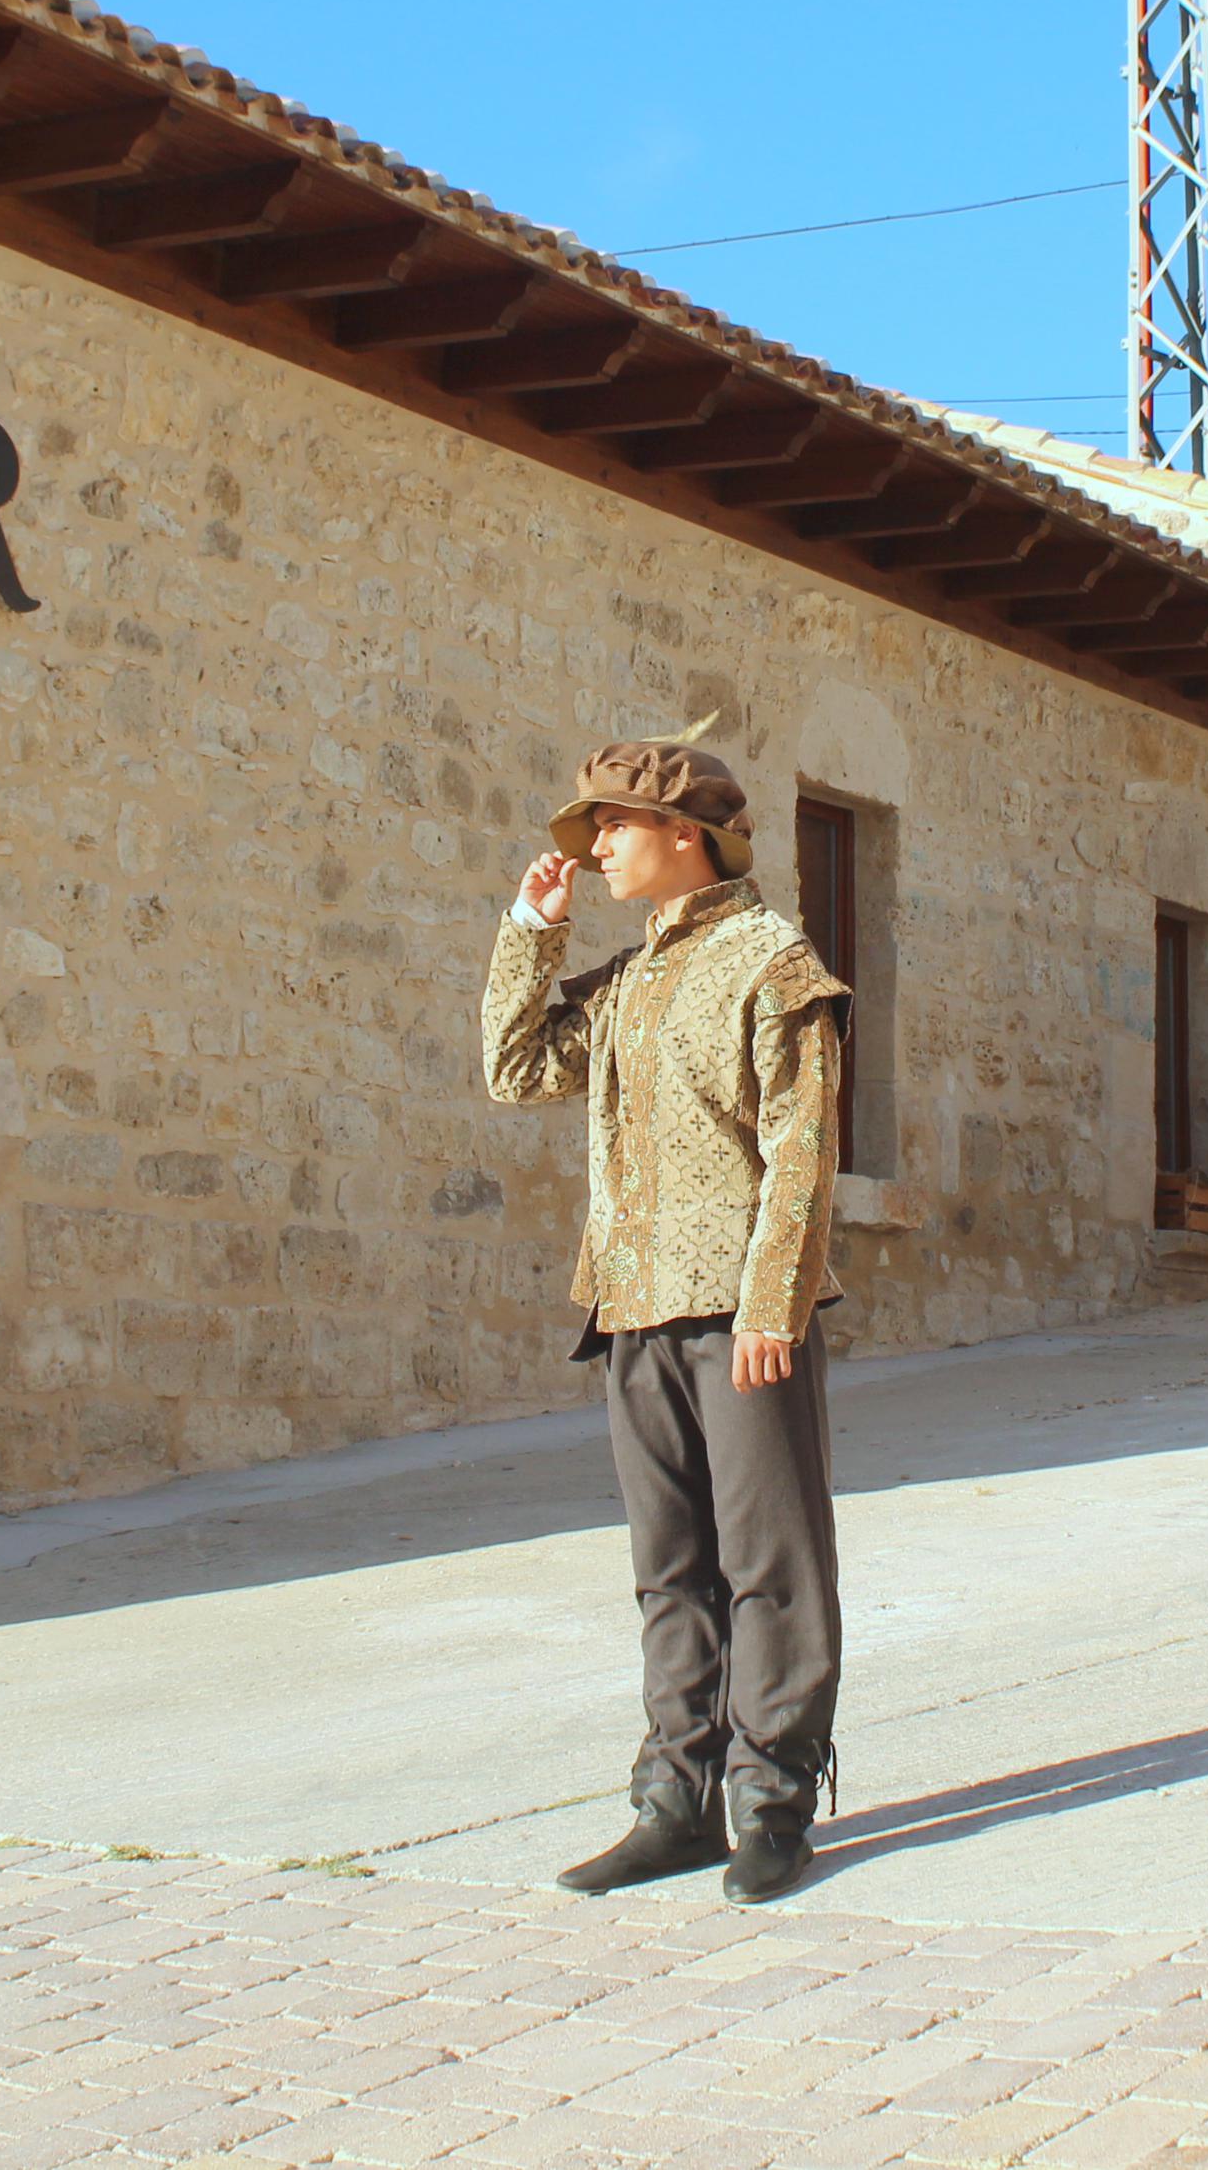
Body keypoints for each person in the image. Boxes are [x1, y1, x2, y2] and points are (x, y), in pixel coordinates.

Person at [483, 734, 850, 1903]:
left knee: (769, 1565)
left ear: (681, 832)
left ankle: (771, 1803)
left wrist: (772, 1303)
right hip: (631, 1302)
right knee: (669, 1566)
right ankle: (673, 1802)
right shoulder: (630, 978)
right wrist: (530, 934)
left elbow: (802, 1146)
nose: (593, 848)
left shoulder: (769, 958)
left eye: (611, 827)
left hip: (740, 1311)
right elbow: (517, 1070)